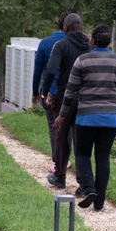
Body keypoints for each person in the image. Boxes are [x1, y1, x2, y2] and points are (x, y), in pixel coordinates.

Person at [54, 25, 116, 210]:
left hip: (87, 118)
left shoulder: (82, 61)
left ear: (92, 41)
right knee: (103, 157)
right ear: (109, 42)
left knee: (82, 154)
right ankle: (99, 203)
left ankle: (89, 188)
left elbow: (70, 91)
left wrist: (62, 116)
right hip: (111, 118)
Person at [41, 13, 90, 189]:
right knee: (81, 139)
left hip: (64, 98)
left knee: (61, 136)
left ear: (66, 29)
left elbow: (51, 70)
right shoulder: (89, 47)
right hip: (85, 99)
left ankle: (60, 176)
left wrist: (47, 92)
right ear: (81, 27)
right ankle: (83, 182)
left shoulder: (61, 45)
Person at [31, 12, 68, 173]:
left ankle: (57, 161)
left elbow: (38, 70)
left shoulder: (45, 43)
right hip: (70, 93)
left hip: (50, 93)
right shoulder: (75, 45)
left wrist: (35, 92)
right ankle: (65, 159)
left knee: (54, 126)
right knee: (69, 127)